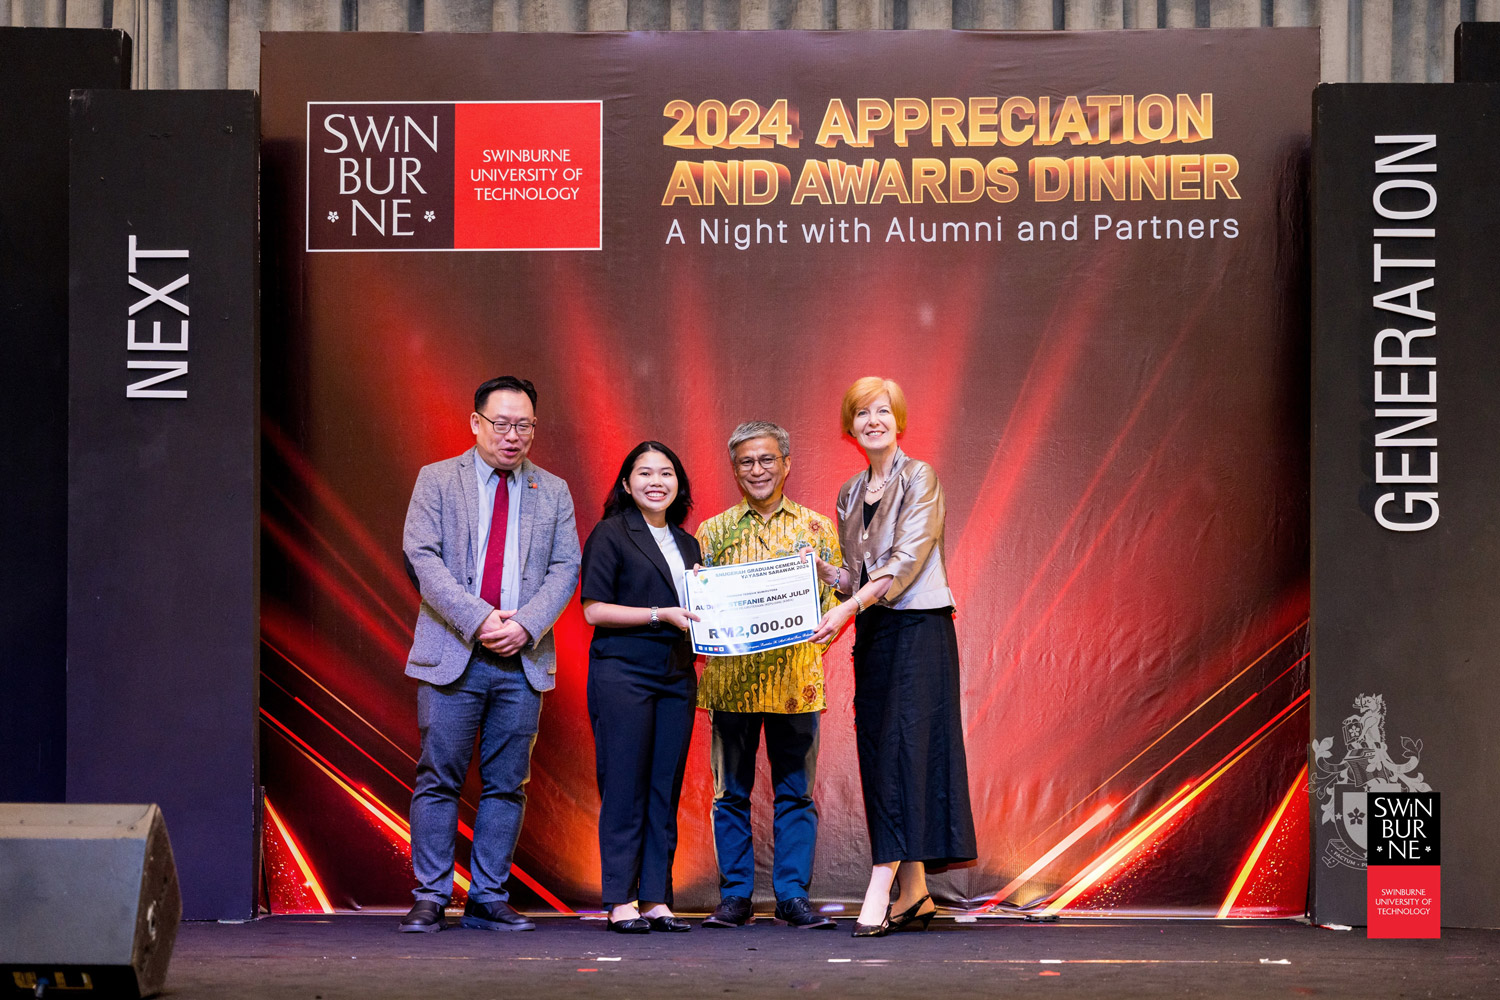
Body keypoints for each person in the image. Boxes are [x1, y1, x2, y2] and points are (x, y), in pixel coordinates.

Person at [398, 376, 581, 933]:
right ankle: (430, 895)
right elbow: (421, 556)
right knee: (438, 777)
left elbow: (565, 567)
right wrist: (479, 619)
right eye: (500, 423)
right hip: (453, 650)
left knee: (508, 783)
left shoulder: (553, 490)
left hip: (522, 657)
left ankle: (487, 896)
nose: (512, 435)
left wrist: (524, 624)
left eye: (523, 425)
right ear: (474, 422)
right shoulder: (436, 479)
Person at [809, 377, 978, 937]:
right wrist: (816, 573)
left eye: (883, 411)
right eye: (862, 414)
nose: (873, 421)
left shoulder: (920, 476)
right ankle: (916, 895)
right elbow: (855, 579)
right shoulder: (848, 493)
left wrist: (849, 607)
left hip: (920, 630)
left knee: (908, 750)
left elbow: (906, 562)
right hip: (877, 631)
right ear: (849, 426)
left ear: (898, 421)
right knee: (881, 753)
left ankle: (881, 883)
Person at [694, 421, 842, 930]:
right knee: (728, 795)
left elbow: (840, 599)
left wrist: (829, 622)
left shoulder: (818, 529)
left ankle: (792, 896)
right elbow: (701, 605)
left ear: (786, 462)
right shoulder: (711, 532)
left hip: (796, 683)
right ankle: (735, 896)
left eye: (766, 459)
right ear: (734, 469)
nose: (757, 470)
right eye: (745, 462)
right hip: (731, 684)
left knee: (795, 794)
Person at [579, 442, 703, 934]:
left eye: (667, 472)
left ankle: (655, 897)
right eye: (644, 473)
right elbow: (593, 610)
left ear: (679, 484)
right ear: (627, 484)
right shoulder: (610, 534)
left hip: (677, 675)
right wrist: (660, 615)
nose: (657, 481)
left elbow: (699, 613)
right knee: (624, 785)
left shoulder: (689, 544)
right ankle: (620, 900)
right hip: (622, 673)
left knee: (662, 788)